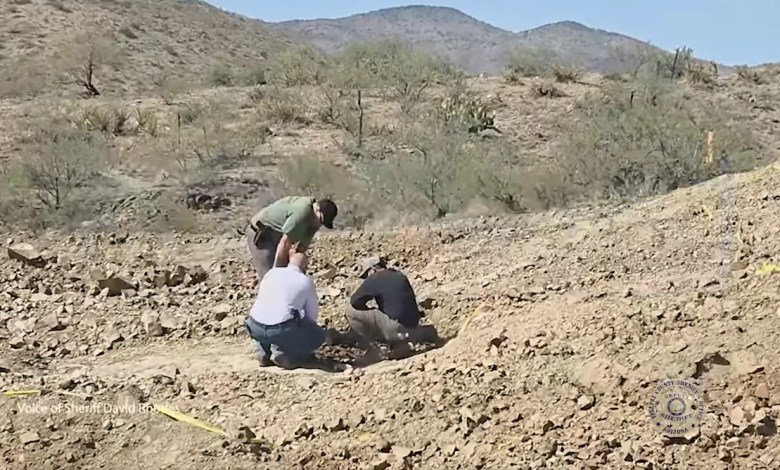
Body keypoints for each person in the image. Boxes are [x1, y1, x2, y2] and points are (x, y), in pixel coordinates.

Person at [243, 248, 342, 371]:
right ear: (305, 267)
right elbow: (311, 317)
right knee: (316, 334)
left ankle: (263, 353)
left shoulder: (271, 273)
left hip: (253, 326)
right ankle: (289, 356)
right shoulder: (305, 281)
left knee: (268, 317)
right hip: (280, 330)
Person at [344, 256, 441, 366]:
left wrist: (369, 310)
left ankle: (374, 351)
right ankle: (408, 340)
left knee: (350, 311)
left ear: (372, 270)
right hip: (412, 324)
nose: (367, 278)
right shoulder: (399, 275)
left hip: (394, 327)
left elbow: (355, 301)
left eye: (366, 275)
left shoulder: (375, 278)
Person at [246, 196, 338, 282]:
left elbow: (301, 248)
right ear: (317, 208)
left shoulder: (314, 221)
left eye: (323, 223)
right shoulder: (301, 213)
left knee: (286, 275)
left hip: (277, 236)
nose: (319, 225)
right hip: (261, 235)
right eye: (321, 220)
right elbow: (285, 244)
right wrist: (277, 271)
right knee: (270, 278)